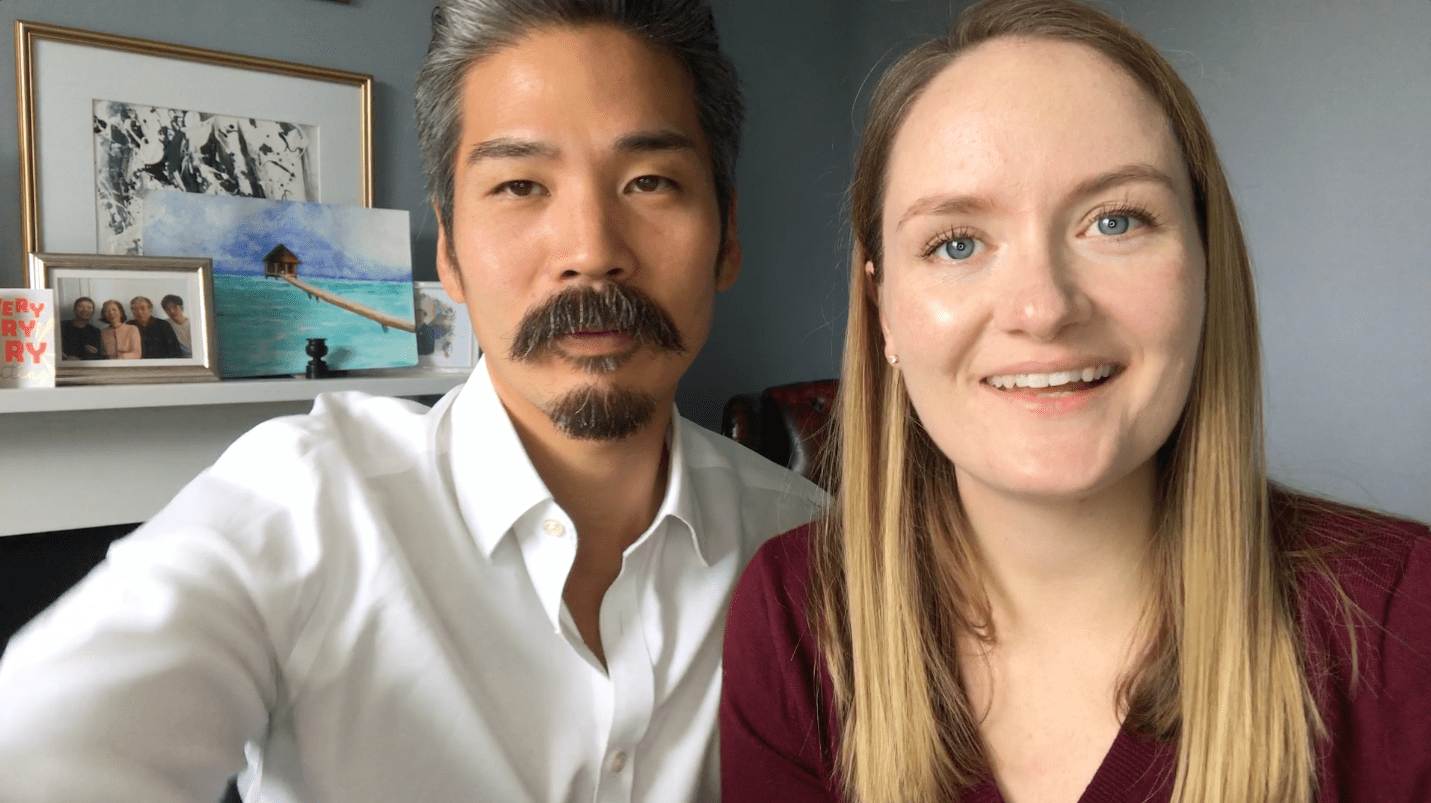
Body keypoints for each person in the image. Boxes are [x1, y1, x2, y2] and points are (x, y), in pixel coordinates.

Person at [0, 2, 825, 802]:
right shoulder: (305, 506)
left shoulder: (815, 552)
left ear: (727, 237)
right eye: (519, 185)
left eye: (648, 181)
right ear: (450, 253)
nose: (590, 251)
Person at [719, 2, 1431, 803]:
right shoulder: (799, 618)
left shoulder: (1410, 621)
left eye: (1114, 221)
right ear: (882, 310)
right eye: (956, 242)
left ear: (1206, 266)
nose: (1043, 307)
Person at [59, 296, 102, 360]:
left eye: (89, 307)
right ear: (74, 310)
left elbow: (98, 357)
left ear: (93, 312)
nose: (85, 310)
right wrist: (65, 357)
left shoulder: (96, 332)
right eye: (81, 307)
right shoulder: (61, 326)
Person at [160, 293, 193, 357]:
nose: (172, 311)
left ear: (181, 308)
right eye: (168, 309)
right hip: (179, 358)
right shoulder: (165, 324)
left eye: (175, 307)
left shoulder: (192, 323)